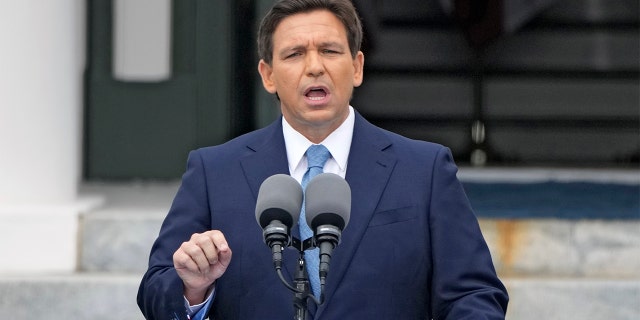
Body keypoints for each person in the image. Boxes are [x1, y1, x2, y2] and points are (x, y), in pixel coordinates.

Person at [137, 0, 509, 319]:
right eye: (295, 54)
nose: (314, 67)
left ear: (357, 66)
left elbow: (474, 295)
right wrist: (194, 290)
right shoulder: (213, 171)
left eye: (329, 51)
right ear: (268, 75)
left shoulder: (424, 170)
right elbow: (155, 290)